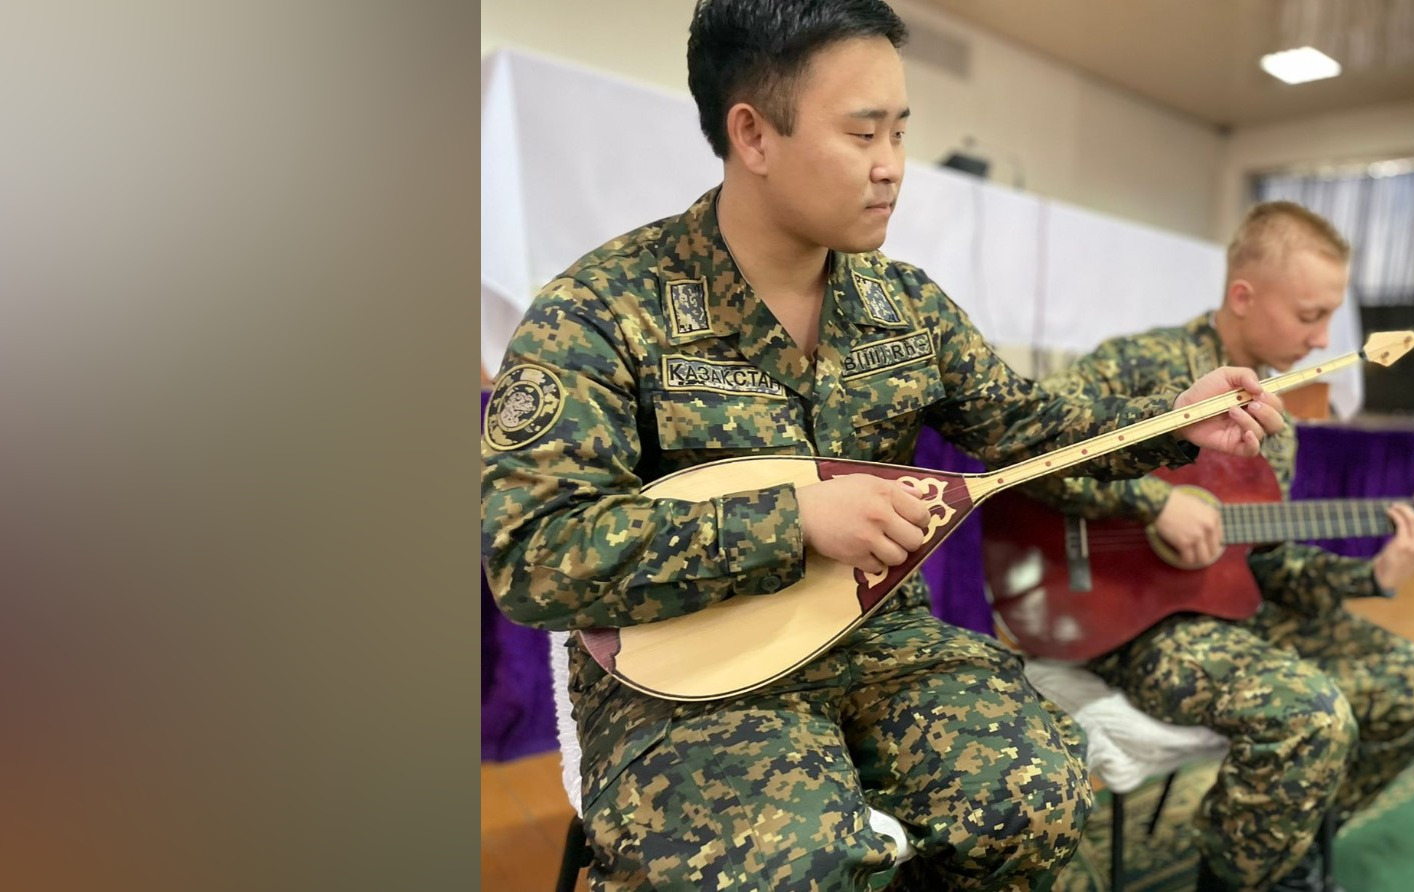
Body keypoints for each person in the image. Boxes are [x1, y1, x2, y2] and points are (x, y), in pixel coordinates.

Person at [479, 3, 1286, 889]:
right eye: (863, 133)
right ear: (752, 134)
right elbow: (535, 553)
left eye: (900, 132)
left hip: (880, 640)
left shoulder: (904, 304)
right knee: (790, 864)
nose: (892, 168)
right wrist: (792, 521)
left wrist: (1169, 420)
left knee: (1033, 795)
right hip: (689, 671)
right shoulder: (602, 308)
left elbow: (1027, 425)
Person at [1021, 202, 1414, 892]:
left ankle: (1283, 848)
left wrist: (1372, 575)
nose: (1320, 340)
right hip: (1126, 615)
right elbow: (1032, 453)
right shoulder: (1139, 364)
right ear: (1242, 297)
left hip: (1228, 609)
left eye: (1329, 319)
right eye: (1308, 314)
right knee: (1308, 714)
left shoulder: (1277, 416)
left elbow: (1271, 563)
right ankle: (1246, 879)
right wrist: (1153, 502)